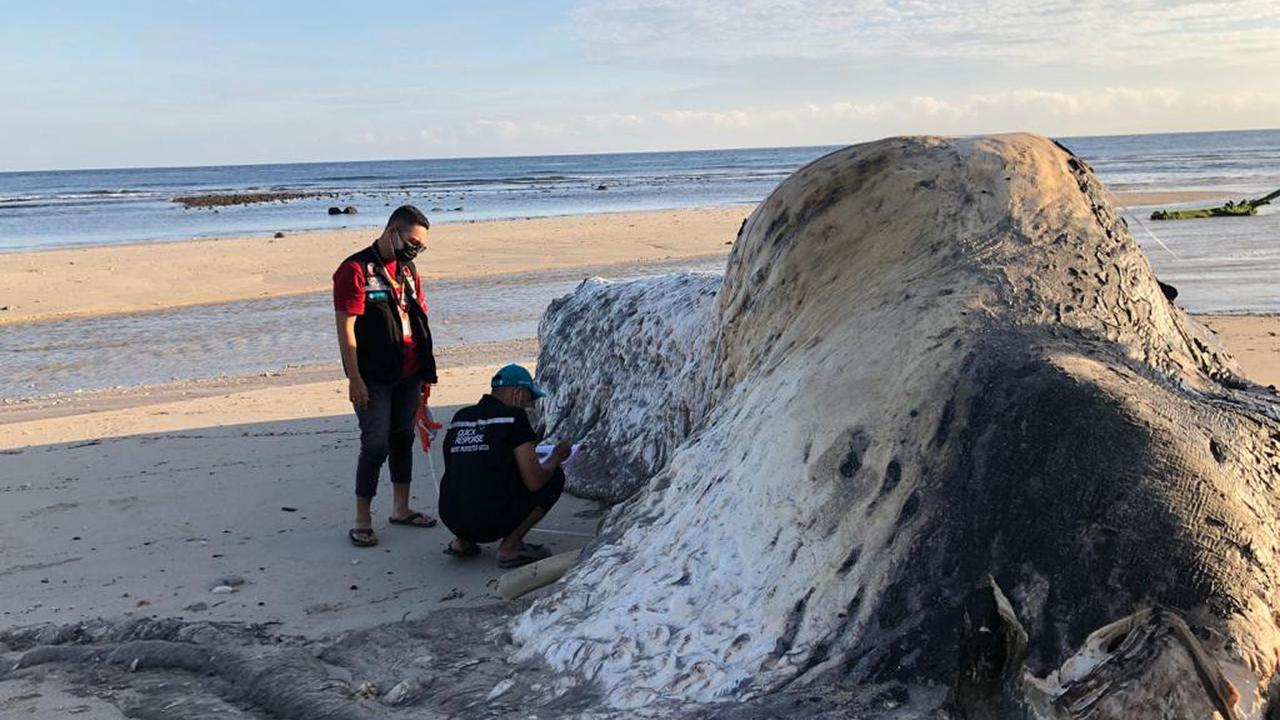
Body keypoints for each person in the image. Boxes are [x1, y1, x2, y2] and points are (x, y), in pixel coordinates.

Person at [333, 205, 439, 547]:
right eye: (412, 242)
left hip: (409, 373)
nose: (415, 250)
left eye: (420, 246)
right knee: (375, 445)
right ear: (391, 231)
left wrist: (425, 374)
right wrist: (354, 378)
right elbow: (346, 331)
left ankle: (401, 508)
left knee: (403, 439)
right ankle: (362, 519)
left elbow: (418, 319)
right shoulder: (355, 270)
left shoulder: (409, 272)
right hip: (373, 376)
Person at [439, 364, 572, 568]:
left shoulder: (461, 418)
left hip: (451, 516)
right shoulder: (515, 419)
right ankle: (510, 547)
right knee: (554, 477)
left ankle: (462, 541)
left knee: (469, 474)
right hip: (491, 521)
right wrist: (555, 457)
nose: (528, 405)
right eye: (529, 399)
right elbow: (535, 481)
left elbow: (457, 466)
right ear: (518, 394)